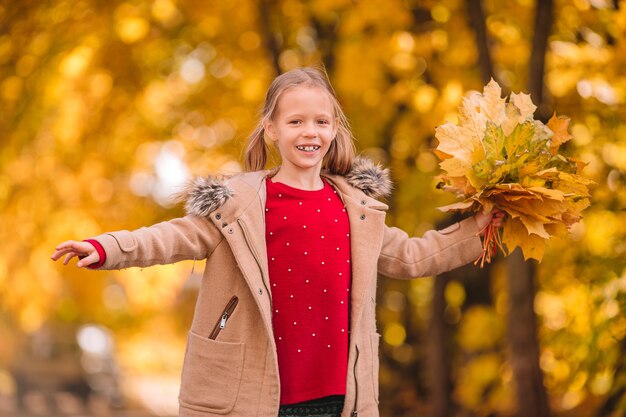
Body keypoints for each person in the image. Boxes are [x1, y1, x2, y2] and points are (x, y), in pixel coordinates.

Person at [51, 67, 504, 417]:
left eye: (321, 121)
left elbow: (412, 256)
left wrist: (478, 228)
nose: (310, 132)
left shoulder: (356, 209)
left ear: (334, 130)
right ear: (272, 129)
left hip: (339, 395)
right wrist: (108, 247)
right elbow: (173, 236)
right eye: (296, 121)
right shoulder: (239, 203)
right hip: (254, 390)